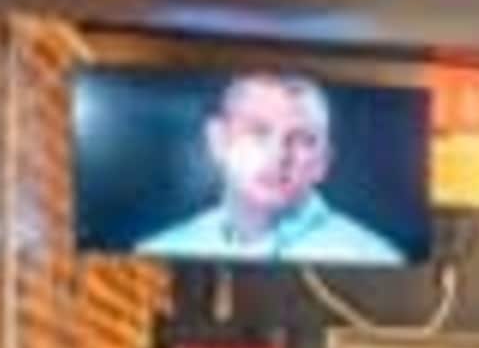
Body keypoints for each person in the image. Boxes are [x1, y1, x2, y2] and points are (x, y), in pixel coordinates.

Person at [136, 74, 406, 265]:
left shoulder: (373, 256)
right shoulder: (160, 249)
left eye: (301, 139)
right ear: (218, 141)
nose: (278, 155)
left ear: (323, 162)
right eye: (258, 132)